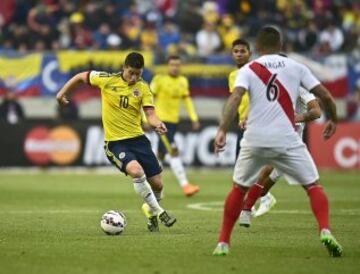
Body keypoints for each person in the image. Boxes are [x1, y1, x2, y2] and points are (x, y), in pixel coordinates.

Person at [212, 26, 343, 257]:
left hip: (255, 137)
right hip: (286, 138)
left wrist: (223, 128)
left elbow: (235, 98)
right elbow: (325, 96)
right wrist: (333, 118)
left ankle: (223, 242)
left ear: (258, 48)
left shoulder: (250, 68)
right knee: (313, 186)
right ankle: (325, 230)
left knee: (238, 187)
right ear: (281, 46)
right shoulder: (297, 67)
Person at [56, 52, 176, 232]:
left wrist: (158, 123)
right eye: (131, 73)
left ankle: (150, 211)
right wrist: (62, 93)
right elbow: (81, 76)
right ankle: (159, 211)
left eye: (138, 73)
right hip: (116, 143)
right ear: (124, 68)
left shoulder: (143, 88)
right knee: (136, 171)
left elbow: (150, 114)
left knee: (158, 184)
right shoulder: (107, 80)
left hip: (139, 141)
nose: (134, 77)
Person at [240, 86, 322, 221]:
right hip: (277, 138)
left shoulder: (300, 90)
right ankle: (249, 206)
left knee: (266, 171)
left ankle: (246, 208)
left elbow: (317, 112)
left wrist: (295, 118)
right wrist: (248, 118)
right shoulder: (274, 88)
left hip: (292, 144)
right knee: (264, 186)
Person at [229, 38, 277, 215]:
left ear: (249, 53)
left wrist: (250, 115)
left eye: (243, 51)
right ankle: (264, 197)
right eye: (236, 51)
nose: (239, 54)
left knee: (253, 166)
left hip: (259, 123)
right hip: (243, 125)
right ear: (232, 54)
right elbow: (236, 101)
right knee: (242, 167)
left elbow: (262, 97)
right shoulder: (232, 76)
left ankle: (252, 203)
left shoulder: (258, 72)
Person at [149, 55, 200, 197]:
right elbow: (148, 99)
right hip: (161, 122)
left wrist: (194, 118)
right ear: (168, 65)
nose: (175, 67)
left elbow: (187, 101)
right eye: (172, 64)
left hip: (174, 123)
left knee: (159, 155)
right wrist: (146, 118)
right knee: (174, 150)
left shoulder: (183, 81)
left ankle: (155, 188)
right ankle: (185, 185)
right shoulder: (159, 79)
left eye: (177, 65)